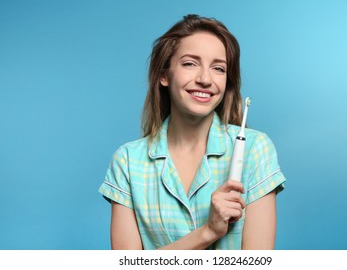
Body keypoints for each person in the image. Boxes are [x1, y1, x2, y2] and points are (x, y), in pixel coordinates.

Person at [98, 14, 286, 250]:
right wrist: (207, 232)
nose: (205, 79)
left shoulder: (255, 149)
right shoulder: (127, 161)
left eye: (218, 68)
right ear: (164, 75)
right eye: (190, 63)